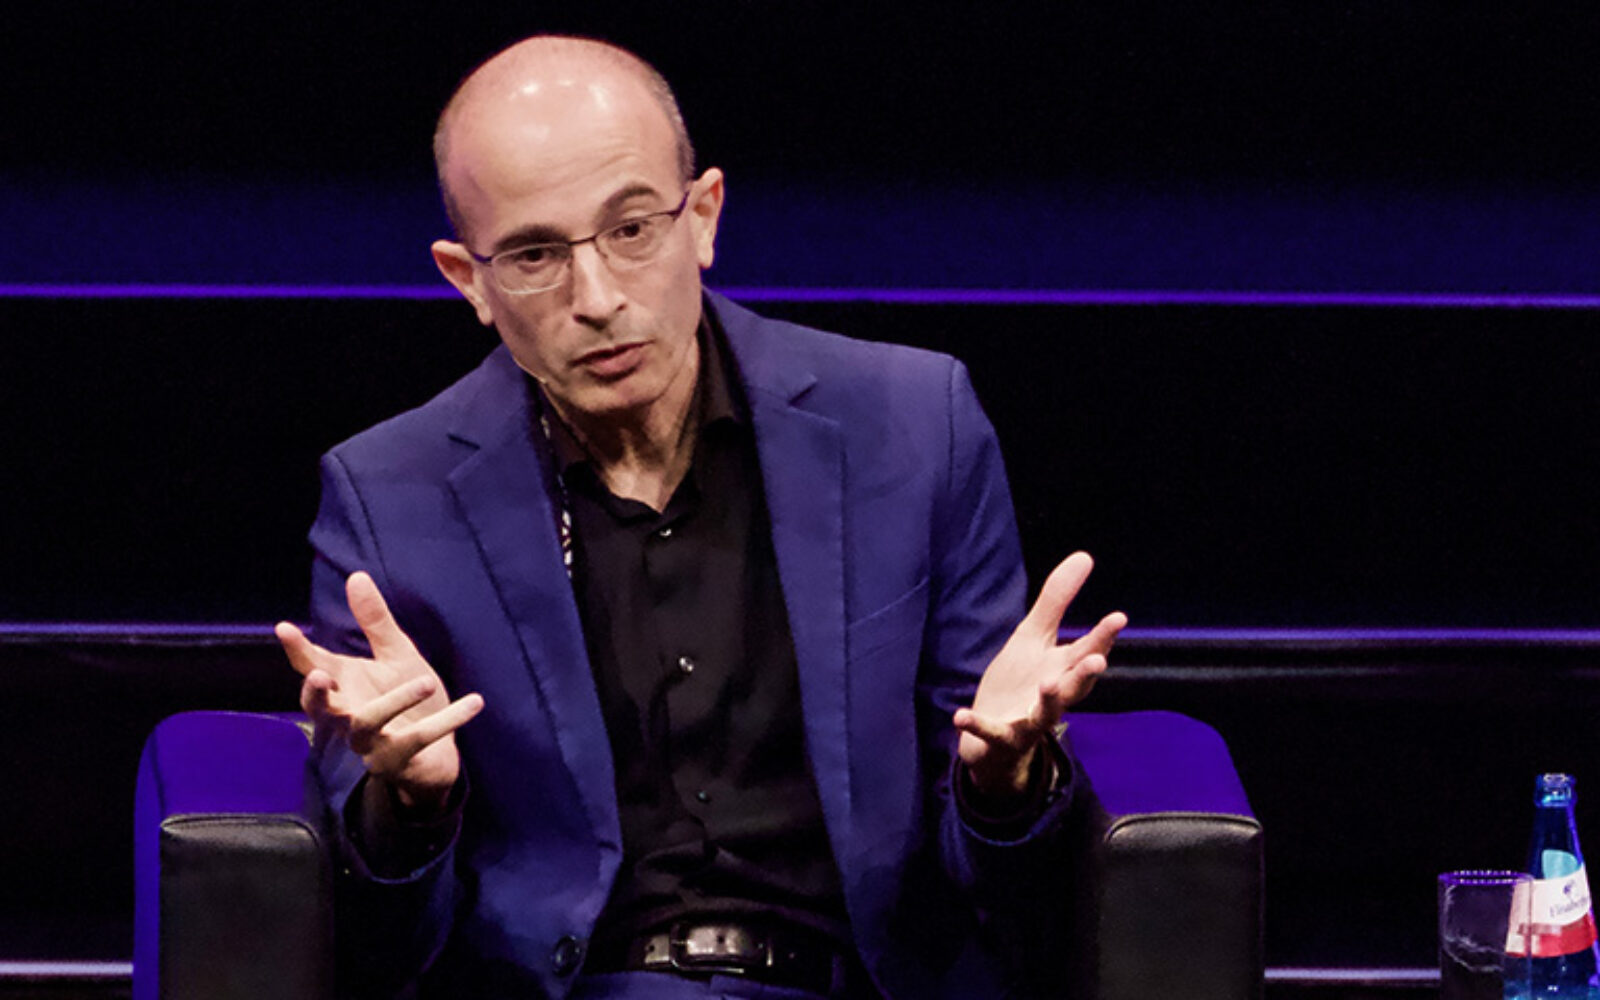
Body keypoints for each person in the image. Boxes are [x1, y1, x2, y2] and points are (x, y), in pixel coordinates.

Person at [274, 34, 1125, 1000]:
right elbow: (378, 941)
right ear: (469, 280)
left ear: (704, 217)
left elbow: (1007, 887)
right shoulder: (388, 496)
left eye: (632, 229)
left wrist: (1002, 781)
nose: (598, 299)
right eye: (536, 254)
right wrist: (411, 805)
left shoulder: (914, 426)